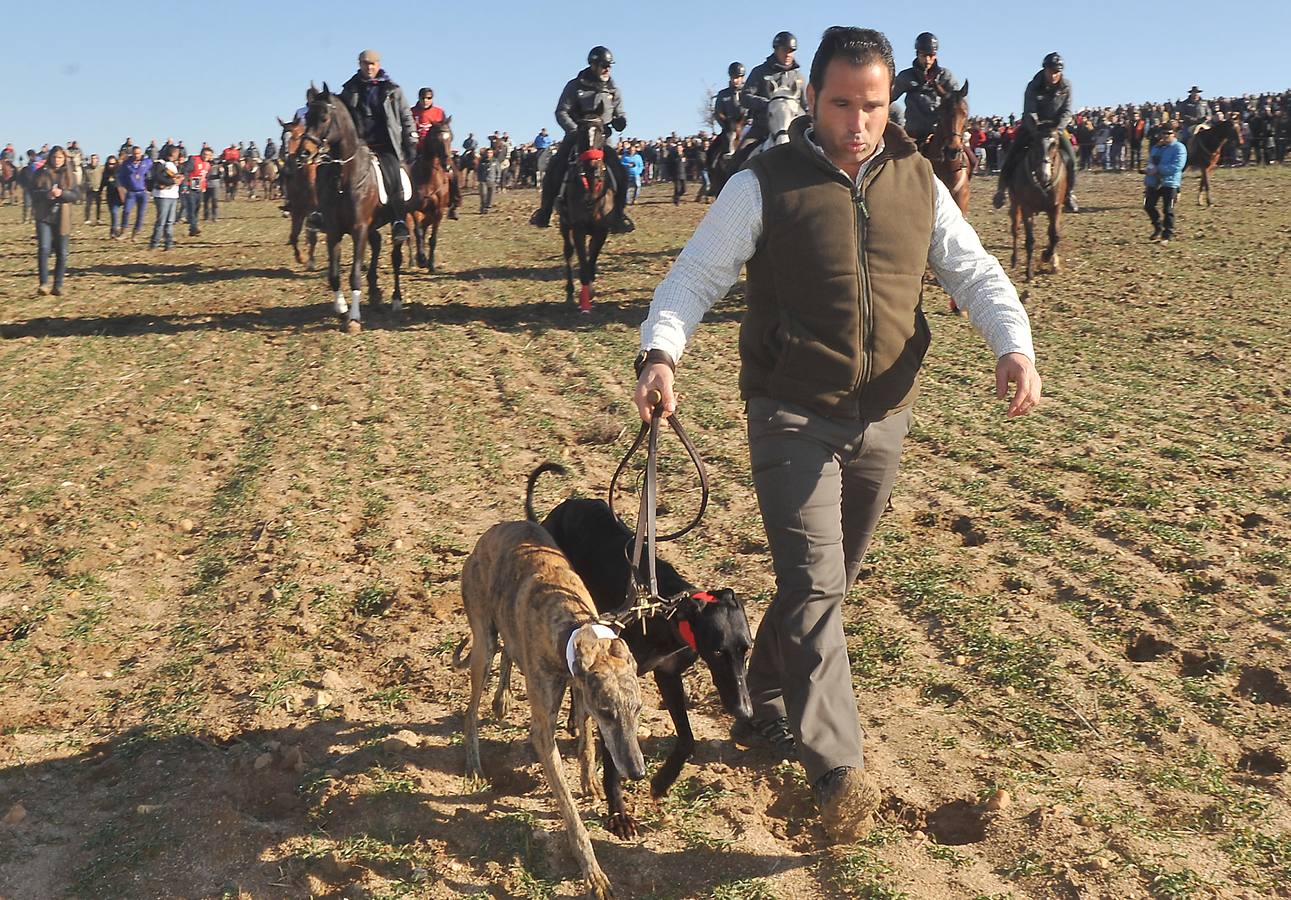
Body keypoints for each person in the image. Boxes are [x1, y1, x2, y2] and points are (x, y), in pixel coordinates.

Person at [632, 25, 1039, 844]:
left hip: (883, 416)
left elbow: (972, 271)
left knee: (826, 580)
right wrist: (659, 351)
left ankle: (767, 691)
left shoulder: (919, 179)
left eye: (874, 105)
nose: (858, 122)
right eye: (841, 103)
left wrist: (1013, 345)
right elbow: (695, 275)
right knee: (816, 588)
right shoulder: (762, 183)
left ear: (892, 104)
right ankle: (838, 767)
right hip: (789, 413)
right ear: (811, 99)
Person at [528, 45, 634, 233]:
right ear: (593, 65)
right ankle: (544, 212)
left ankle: (618, 214)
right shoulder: (575, 86)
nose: (607, 69)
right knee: (555, 167)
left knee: (621, 173)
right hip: (576, 138)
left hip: (602, 141)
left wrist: (621, 120)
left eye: (610, 65)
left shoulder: (614, 90)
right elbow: (561, 111)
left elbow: (619, 112)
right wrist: (575, 131)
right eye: (604, 65)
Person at [339, 48, 416, 240]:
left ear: (378, 65)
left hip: (385, 144)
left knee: (394, 176)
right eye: (365, 64)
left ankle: (398, 220)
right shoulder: (349, 89)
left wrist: (411, 139)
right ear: (360, 65)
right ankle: (323, 214)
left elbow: (406, 116)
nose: (369, 67)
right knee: (332, 172)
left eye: (372, 64)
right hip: (357, 145)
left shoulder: (392, 90)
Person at [992, 52, 1078, 212]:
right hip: (1033, 128)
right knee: (1013, 153)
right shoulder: (1033, 86)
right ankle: (1001, 190)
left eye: (1057, 72)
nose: (1053, 75)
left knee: (1071, 158)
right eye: (1051, 71)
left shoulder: (1067, 87)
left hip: (1055, 129)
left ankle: (1069, 194)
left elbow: (1067, 111)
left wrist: (1058, 129)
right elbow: (1029, 111)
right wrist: (1035, 128)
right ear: (1045, 70)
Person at [30, 145, 82, 297]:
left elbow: (76, 195)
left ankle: (58, 285)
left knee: (62, 252)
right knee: (44, 249)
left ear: (64, 159)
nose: (57, 160)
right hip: (44, 216)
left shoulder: (69, 175)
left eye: (60, 157)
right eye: (54, 157)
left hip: (62, 217)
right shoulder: (40, 172)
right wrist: (46, 194)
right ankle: (43, 284)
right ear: (50, 158)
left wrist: (62, 193)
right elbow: (32, 193)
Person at [890, 32, 959, 144]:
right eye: (924, 55)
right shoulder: (906, 76)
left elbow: (958, 102)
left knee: (970, 158)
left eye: (931, 56)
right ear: (917, 54)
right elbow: (888, 97)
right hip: (914, 135)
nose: (927, 60)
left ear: (935, 55)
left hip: (940, 134)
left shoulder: (946, 76)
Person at [741, 32, 807, 148]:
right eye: (784, 50)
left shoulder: (799, 78)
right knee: (740, 155)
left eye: (791, 51)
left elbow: (806, 105)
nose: (788, 54)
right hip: (762, 128)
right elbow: (745, 97)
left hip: (793, 131)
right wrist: (767, 104)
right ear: (776, 50)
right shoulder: (760, 72)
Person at [410, 86, 461, 219]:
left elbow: (446, 131)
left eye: (428, 98)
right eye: (423, 98)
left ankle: (455, 204)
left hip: (436, 152)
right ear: (419, 98)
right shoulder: (411, 112)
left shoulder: (439, 112)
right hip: (414, 150)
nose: (425, 100)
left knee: (453, 172)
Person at [1144, 122, 1187, 245]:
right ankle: (1158, 227)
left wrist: (1158, 169)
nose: (1165, 136)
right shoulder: (1156, 148)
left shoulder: (1179, 148)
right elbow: (1151, 161)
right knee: (1148, 206)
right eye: (1163, 133)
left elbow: (1177, 166)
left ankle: (1167, 235)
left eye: (1169, 133)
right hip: (1154, 182)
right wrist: (1149, 172)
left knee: (1168, 210)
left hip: (1170, 182)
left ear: (1174, 134)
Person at [116, 145, 153, 241]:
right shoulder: (127, 164)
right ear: (132, 154)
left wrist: (149, 187)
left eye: (138, 153)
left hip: (143, 192)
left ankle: (135, 234)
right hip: (131, 192)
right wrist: (126, 186)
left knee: (140, 214)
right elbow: (121, 177)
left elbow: (153, 171)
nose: (137, 155)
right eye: (135, 153)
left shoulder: (146, 162)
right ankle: (123, 231)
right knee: (126, 211)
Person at [150, 145, 181, 250]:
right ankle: (154, 243)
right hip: (162, 195)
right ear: (171, 153)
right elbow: (157, 176)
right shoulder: (160, 163)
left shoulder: (173, 164)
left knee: (170, 221)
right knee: (161, 221)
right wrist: (172, 181)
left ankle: (169, 244)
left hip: (173, 195)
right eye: (176, 152)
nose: (178, 154)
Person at [182, 148, 213, 237]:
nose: (206, 156)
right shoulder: (194, 160)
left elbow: (206, 176)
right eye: (205, 154)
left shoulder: (208, 165)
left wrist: (204, 186)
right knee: (191, 207)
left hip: (199, 188)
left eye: (208, 155)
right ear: (201, 154)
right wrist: (187, 183)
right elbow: (186, 171)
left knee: (197, 208)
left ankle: (192, 229)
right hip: (190, 186)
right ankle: (194, 227)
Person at [101, 155, 123, 237]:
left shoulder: (120, 171)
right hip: (110, 195)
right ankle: (113, 229)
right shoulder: (106, 172)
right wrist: (100, 192)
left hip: (118, 195)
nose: (111, 166)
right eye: (110, 164)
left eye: (113, 163)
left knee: (114, 212)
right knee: (113, 213)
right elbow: (102, 183)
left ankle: (115, 230)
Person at [476, 146, 500, 213]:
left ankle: (487, 207)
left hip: (492, 180)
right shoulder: (482, 161)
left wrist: (497, 179)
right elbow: (479, 171)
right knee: (483, 194)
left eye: (490, 153)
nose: (489, 154)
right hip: (483, 181)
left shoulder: (495, 161)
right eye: (488, 153)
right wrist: (479, 179)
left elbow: (498, 171)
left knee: (490, 195)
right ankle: (483, 207)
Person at [81, 153, 102, 225]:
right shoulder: (86, 169)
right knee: (88, 205)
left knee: (98, 205)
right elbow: (83, 179)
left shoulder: (100, 168)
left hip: (98, 189)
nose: (93, 160)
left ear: (97, 160)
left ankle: (98, 218)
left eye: (95, 159)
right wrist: (85, 186)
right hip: (89, 190)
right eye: (92, 159)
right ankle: (87, 219)